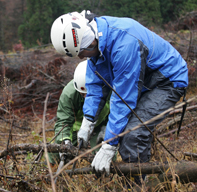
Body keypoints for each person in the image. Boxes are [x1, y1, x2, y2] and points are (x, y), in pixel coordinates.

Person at [50, 10, 188, 183]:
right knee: (124, 130)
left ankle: (138, 185)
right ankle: (138, 177)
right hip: (146, 80)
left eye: (82, 53)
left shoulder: (124, 45)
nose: (80, 57)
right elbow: (96, 86)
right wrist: (88, 122)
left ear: (89, 42)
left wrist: (109, 145)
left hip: (167, 80)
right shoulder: (98, 43)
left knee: (133, 134)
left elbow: (123, 98)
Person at [49, 60, 111, 165]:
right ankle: (49, 170)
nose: (87, 98)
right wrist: (64, 141)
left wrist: (107, 129)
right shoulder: (69, 94)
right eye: (83, 94)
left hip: (100, 125)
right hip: (75, 126)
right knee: (55, 151)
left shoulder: (110, 90)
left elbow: (117, 112)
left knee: (104, 156)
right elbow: (63, 121)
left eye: (89, 94)